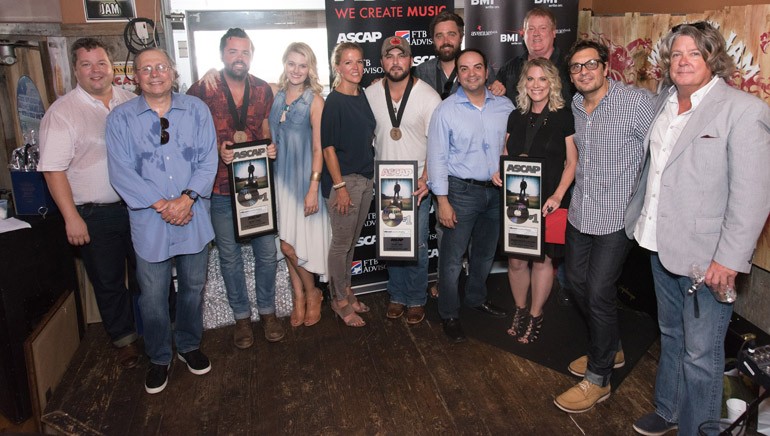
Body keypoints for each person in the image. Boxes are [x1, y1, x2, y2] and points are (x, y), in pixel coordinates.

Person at [625, 22, 770, 436]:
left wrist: (728, 259)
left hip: (707, 261)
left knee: (701, 354)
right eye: (675, 55)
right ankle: (668, 409)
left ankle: (699, 429)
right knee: (670, 335)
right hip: (658, 245)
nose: (683, 62)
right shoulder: (665, 102)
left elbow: (754, 195)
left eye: (693, 54)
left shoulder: (744, 110)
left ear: (713, 59)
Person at [106, 48, 218, 394]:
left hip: (193, 214)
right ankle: (158, 357)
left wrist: (186, 199)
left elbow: (208, 160)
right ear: (135, 77)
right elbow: (120, 173)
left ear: (173, 71)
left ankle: (187, 346)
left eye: (161, 67)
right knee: (152, 297)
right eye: (146, 69)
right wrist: (161, 204)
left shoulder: (197, 110)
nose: (155, 73)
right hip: (149, 221)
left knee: (193, 288)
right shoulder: (120, 118)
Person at [553, 40, 654, 413]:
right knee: (575, 282)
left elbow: (659, 150)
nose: (583, 72)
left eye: (590, 64)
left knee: (598, 292)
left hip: (616, 218)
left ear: (605, 65)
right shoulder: (578, 106)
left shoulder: (636, 103)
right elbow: (576, 157)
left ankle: (598, 378)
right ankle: (610, 347)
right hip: (581, 213)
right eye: (576, 67)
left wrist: (644, 204)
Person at [38, 37, 141, 369]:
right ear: (75, 70)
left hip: (139, 209)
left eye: (101, 63)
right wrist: (71, 218)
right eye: (86, 64)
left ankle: (153, 331)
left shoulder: (131, 102)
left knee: (148, 276)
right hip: (95, 213)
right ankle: (124, 340)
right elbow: (53, 171)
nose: (95, 71)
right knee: (109, 281)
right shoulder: (62, 113)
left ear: (113, 68)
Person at [187, 28, 284, 348]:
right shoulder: (202, 89)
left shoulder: (262, 89)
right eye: (232, 52)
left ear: (251, 55)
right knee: (229, 258)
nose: (239, 58)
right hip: (219, 188)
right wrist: (216, 149)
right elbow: (188, 136)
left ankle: (268, 312)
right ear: (221, 55)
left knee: (267, 254)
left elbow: (267, 129)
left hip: (256, 188)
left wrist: (271, 148)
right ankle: (242, 318)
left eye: (244, 52)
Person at [427, 49, 514, 343]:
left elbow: (514, 147)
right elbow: (436, 157)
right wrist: (442, 200)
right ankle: (449, 313)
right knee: (452, 260)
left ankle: (476, 299)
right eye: (464, 69)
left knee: (485, 254)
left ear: (487, 71)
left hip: (497, 193)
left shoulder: (505, 106)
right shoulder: (445, 110)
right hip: (460, 192)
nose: (472, 73)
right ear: (459, 75)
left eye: (477, 67)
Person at [491, 58, 577, 344]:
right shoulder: (515, 116)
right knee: (516, 261)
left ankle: (536, 313)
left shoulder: (565, 116)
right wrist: (498, 170)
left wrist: (558, 195)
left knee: (542, 261)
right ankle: (520, 309)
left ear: (552, 83)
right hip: (517, 201)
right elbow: (505, 150)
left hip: (549, 201)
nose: (536, 85)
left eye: (542, 79)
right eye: (531, 79)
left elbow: (572, 162)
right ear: (523, 83)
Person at [365, 36, 441, 325]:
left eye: (401, 55)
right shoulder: (371, 95)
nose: (395, 61)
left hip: (417, 183)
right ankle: (396, 295)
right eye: (389, 56)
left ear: (411, 60)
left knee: (418, 245)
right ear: (382, 62)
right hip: (384, 183)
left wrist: (427, 176)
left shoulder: (428, 96)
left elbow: (438, 142)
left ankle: (416, 298)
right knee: (392, 243)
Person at [267, 42, 329, 328]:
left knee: (296, 246)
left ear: (310, 69)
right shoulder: (276, 96)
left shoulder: (315, 100)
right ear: (284, 64)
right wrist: (270, 148)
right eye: (291, 63)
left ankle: (313, 293)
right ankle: (300, 295)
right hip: (279, 180)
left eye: (302, 65)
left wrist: (313, 188)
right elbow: (273, 136)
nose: (296, 70)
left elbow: (319, 149)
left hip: (303, 181)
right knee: (286, 243)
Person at [321, 42, 376, 328]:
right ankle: (338, 299)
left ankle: (347, 289)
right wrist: (340, 187)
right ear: (337, 67)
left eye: (359, 62)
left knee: (352, 243)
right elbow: (328, 148)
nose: (355, 67)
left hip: (366, 179)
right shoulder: (334, 101)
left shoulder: (363, 95)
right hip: (346, 183)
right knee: (341, 244)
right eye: (348, 62)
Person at [489, 7, 573, 104]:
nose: (536, 33)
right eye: (531, 29)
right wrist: (495, 89)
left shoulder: (569, 66)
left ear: (553, 33)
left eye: (543, 28)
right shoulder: (509, 69)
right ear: (523, 34)